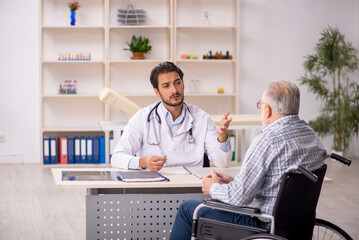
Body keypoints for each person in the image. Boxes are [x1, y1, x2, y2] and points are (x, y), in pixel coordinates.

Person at [169, 80, 327, 239]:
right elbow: (280, 183)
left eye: (260, 105)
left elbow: (238, 198)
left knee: (188, 208)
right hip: (297, 227)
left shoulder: (267, 141)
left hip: (262, 226)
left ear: (266, 109)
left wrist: (213, 188)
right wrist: (235, 181)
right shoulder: (311, 136)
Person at [111, 61, 233, 170]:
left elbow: (222, 163)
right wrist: (143, 162)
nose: (174, 90)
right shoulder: (142, 118)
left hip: (192, 186)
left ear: (183, 84)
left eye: (177, 83)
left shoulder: (202, 118)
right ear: (157, 92)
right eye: (166, 86)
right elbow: (116, 158)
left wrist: (222, 136)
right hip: (155, 185)